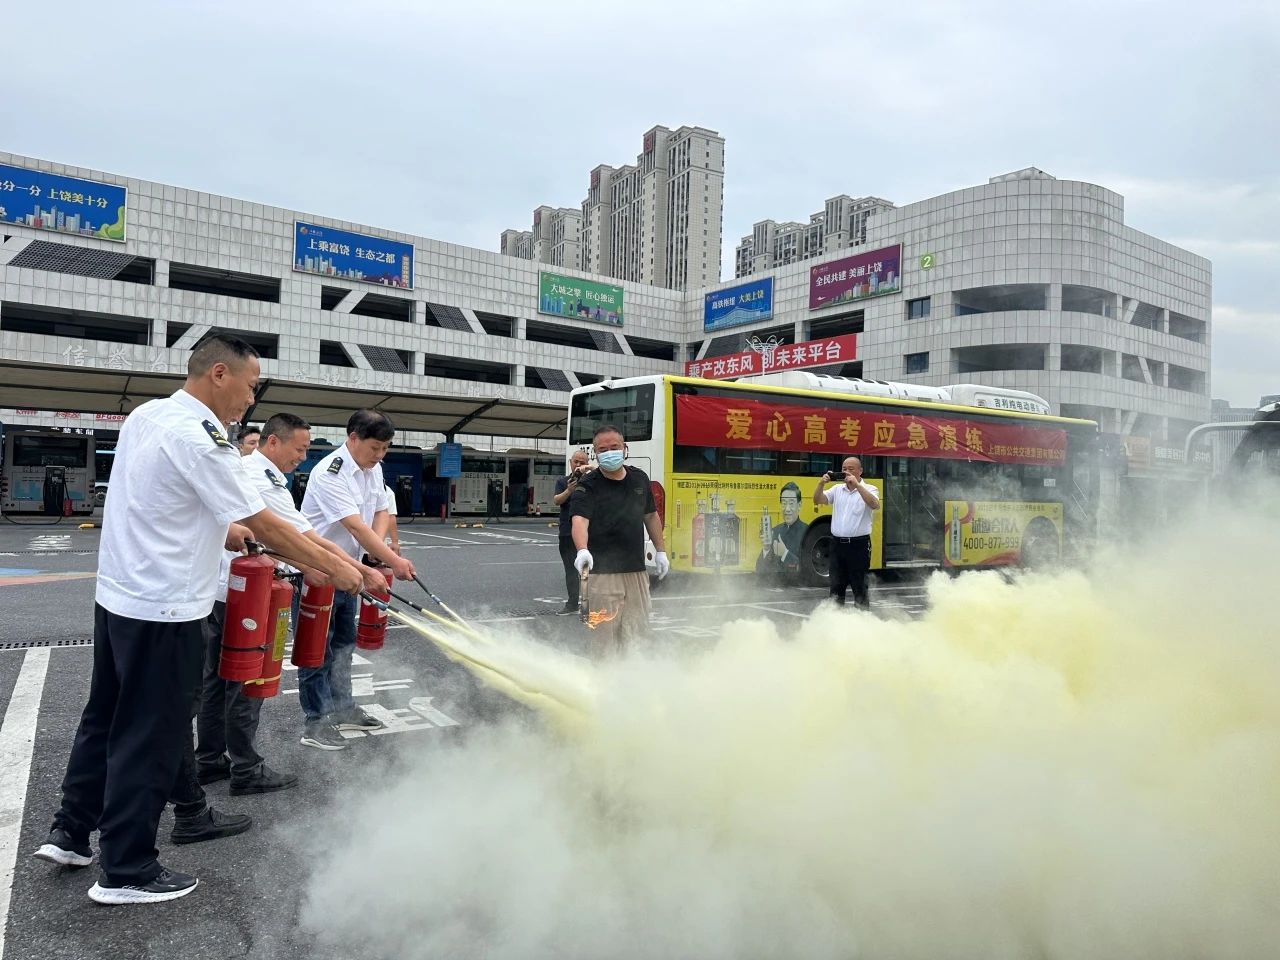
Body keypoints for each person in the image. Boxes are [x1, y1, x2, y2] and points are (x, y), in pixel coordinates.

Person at [32, 335, 363, 906]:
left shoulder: (148, 415)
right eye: (250, 386)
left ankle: (71, 832)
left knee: (105, 715)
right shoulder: (202, 437)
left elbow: (174, 502)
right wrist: (336, 567)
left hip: (120, 598)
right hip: (166, 607)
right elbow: (269, 521)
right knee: (152, 733)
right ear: (218, 374)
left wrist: (231, 532)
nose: (250, 400)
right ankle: (127, 870)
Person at [196, 413, 386, 792]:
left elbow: (300, 539)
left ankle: (211, 760)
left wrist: (346, 568)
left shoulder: (257, 473)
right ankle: (246, 770)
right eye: (299, 449)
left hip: (223, 591)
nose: (303, 457)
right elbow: (299, 538)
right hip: (246, 596)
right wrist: (344, 570)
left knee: (217, 681)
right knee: (249, 680)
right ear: (273, 443)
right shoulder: (261, 478)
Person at [299, 409, 416, 750]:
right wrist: (393, 561)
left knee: (343, 645)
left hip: (349, 569)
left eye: (385, 449)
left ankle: (343, 708)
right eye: (375, 447)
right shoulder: (330, 473)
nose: (380, 456)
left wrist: (374, 555)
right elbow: (355, 526)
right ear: (352, 438)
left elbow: (380, 510)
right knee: (315, 649)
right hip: (317, 571)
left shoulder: (372, 468)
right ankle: (316, 722)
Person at [570, 425, 669, 657]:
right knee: (604, 637)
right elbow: (579, 521)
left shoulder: (640, 478)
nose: (609, 452)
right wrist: (582, 550)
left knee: (638, 634)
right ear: (595, 453)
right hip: (602, 575)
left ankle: (633, 682)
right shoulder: (588, 485)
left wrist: (660, 551)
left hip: (636, 571)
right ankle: (603, 685)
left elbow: (651, 516)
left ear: (625, 449)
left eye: (614, 447)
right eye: (602, 449)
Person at [812, 457, 880, 608]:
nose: (847, 472)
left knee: (859, 587)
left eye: (851, 469)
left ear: (860, 471)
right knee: (836, 587)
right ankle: (836, 623)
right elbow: (817, 500)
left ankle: (862, 622)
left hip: (858, 546)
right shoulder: (837, 489)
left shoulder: (870, 488)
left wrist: (857, 486)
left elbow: (874, 504)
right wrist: (821, 483)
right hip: (837, 545)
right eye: (844, 469)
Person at [552, 451, 592, 615]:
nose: (578, 465)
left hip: (587, 533)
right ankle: (572, 603)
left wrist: (589, 471)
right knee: (570, 570)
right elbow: (556, 500)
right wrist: (569, 490)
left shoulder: (592, 481)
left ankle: (587, 604)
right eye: (576, 461)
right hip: (567, 533)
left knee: (587, 570)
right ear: (570, 462)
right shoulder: (563, 481)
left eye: (582, 462)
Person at [756, 481, 809, 581]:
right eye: (784, 503)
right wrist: (766, 549)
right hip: (775, 590)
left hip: (796, 591)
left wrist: (784, 553)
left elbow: (808, 571)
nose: (787, 509)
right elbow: (759, 570)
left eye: (791, 503)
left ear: (800, 505)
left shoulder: (808, 532)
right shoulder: (775, 531)